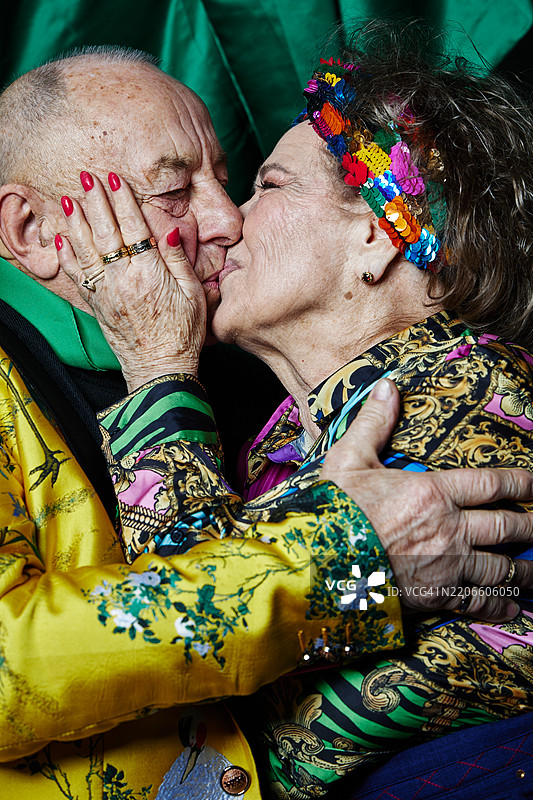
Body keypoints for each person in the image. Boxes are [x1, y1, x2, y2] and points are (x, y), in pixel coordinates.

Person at [1, 44, 532, 800]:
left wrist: (160, 370)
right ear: (27, 228)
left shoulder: (468, 389)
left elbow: (226, 709)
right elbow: (206, 662)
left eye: (254, 183)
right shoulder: (279, 429)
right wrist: (340, 556)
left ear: (380, 234)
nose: (223, 221)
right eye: (175, 190)